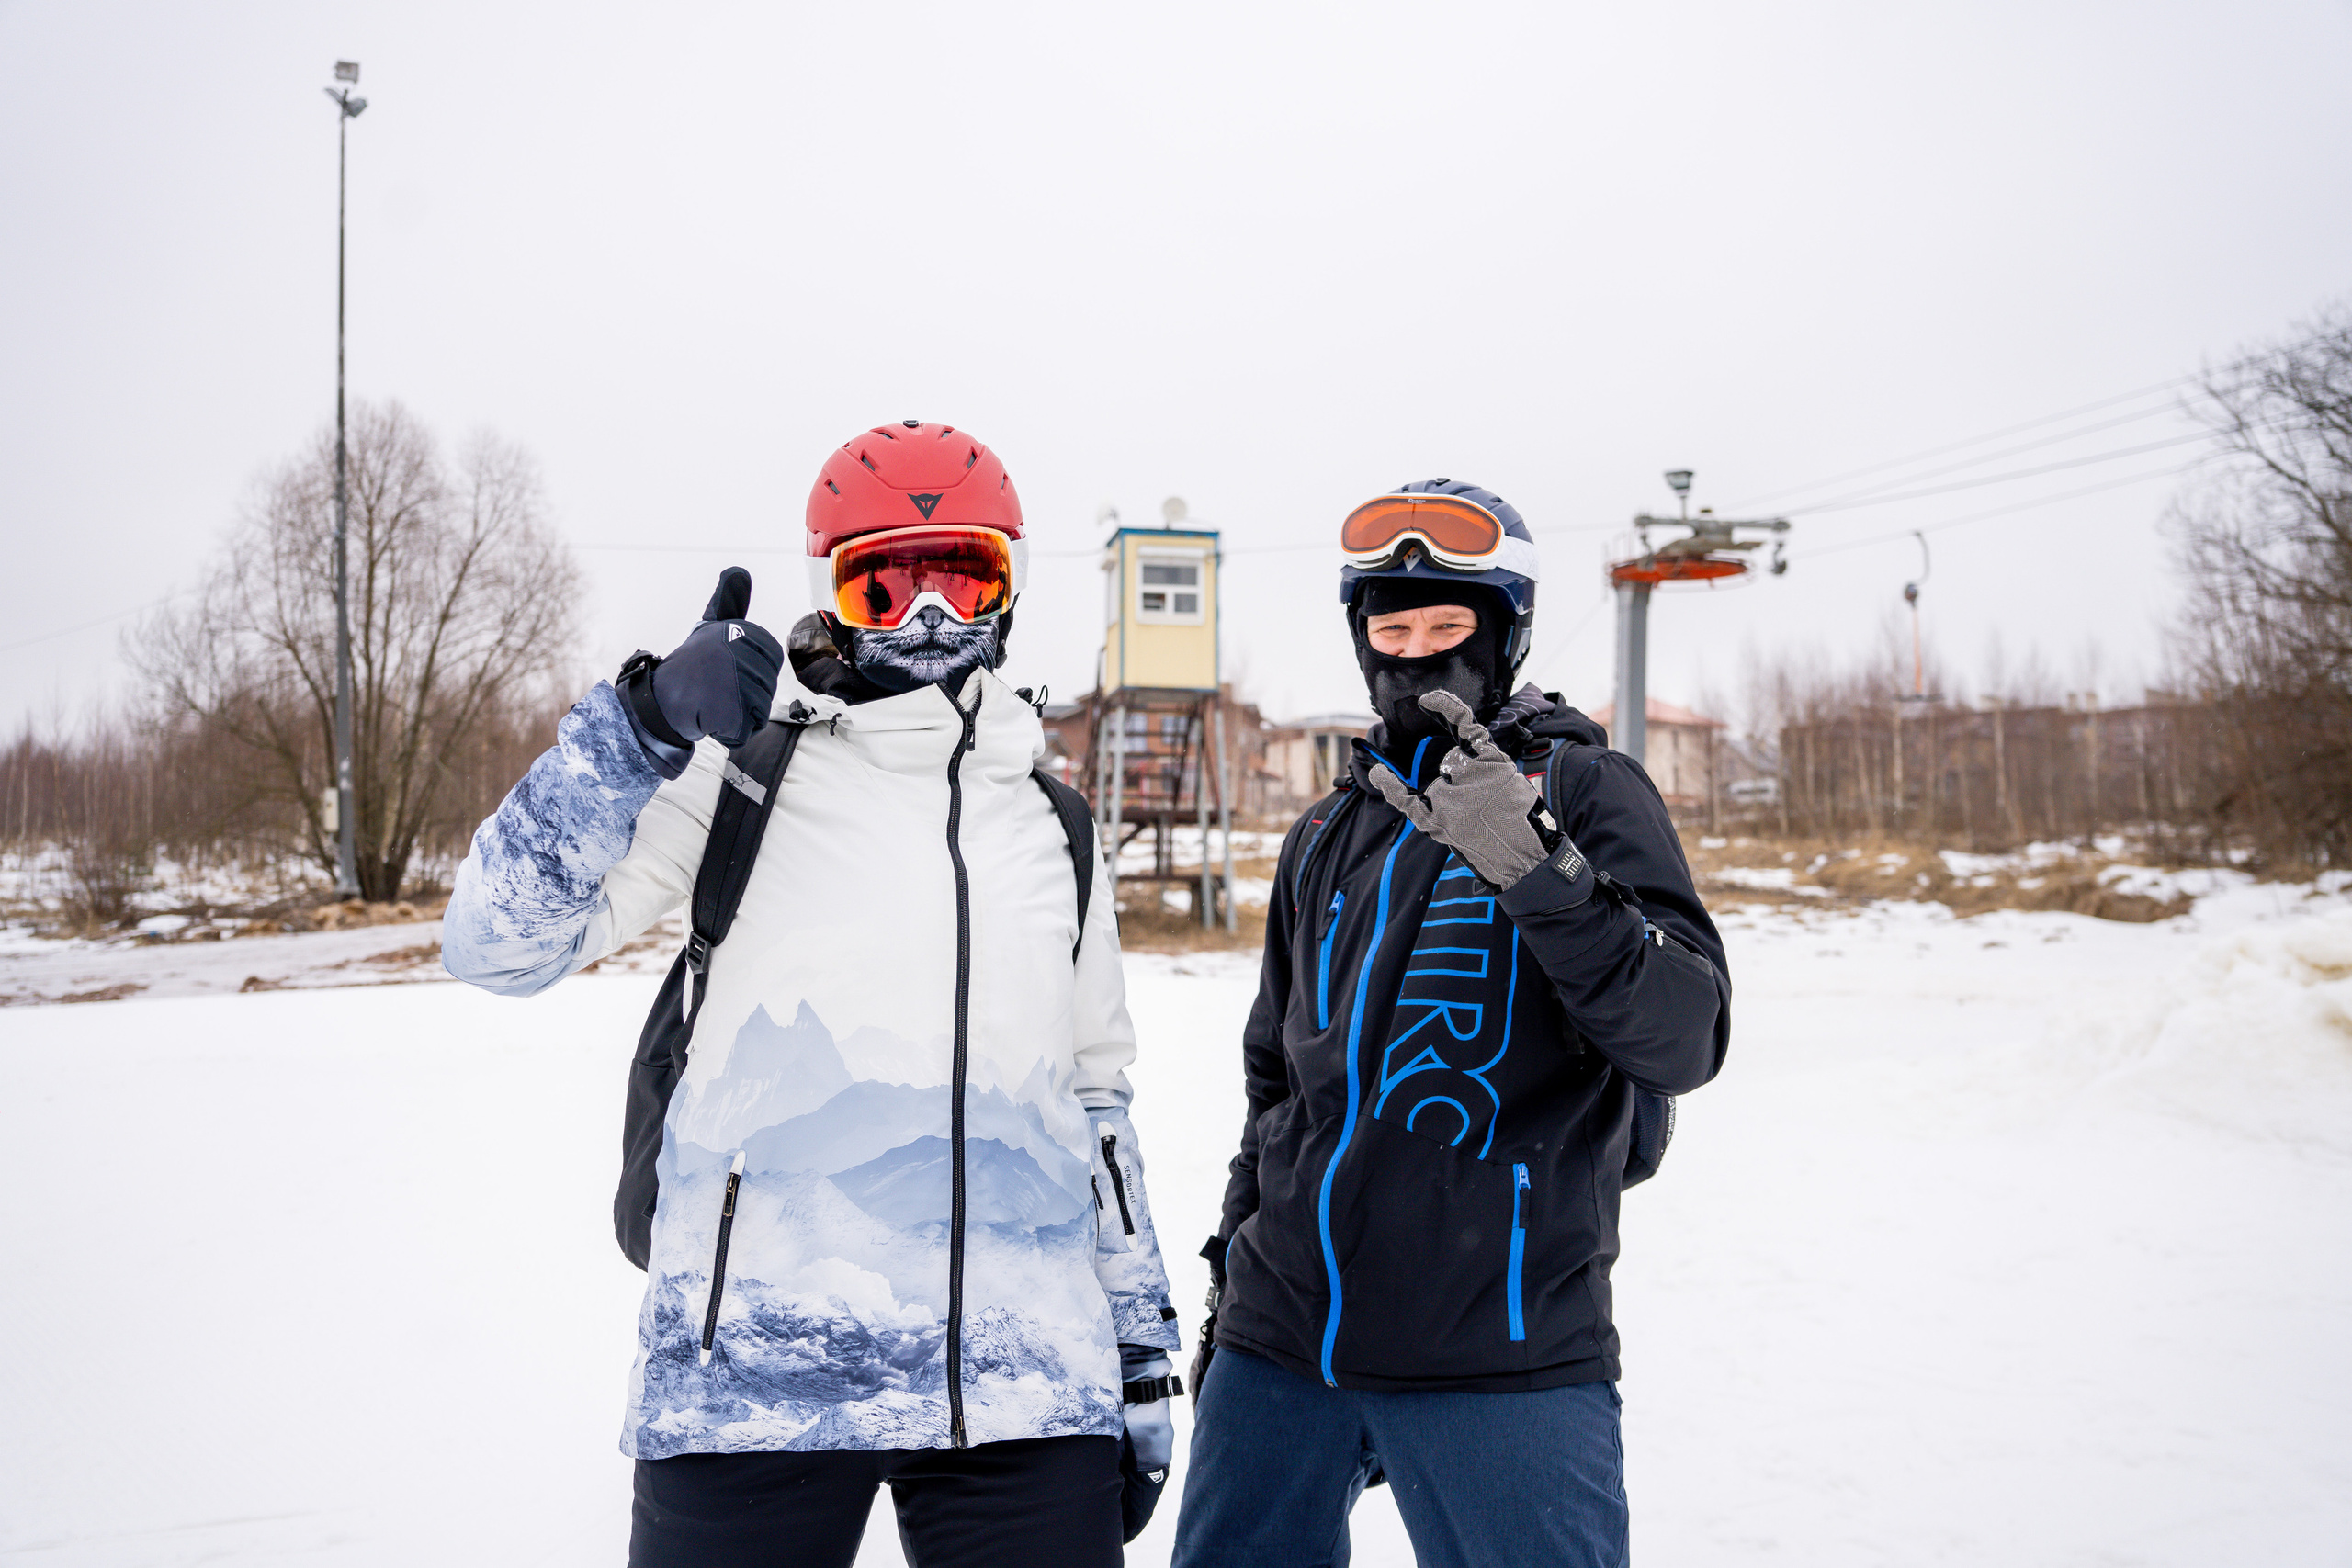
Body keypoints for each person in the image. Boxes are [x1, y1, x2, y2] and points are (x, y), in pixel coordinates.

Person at [442, 421, 1183, 1568]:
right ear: (832, 596)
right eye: (885, 585)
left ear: (1011, 584)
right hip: (755, 1385)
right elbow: (494, 943)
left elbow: (1095, 1103)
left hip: (1025, 1389)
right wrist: (635, 730)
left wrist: (1136, 1354)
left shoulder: (1054, 827)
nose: (929, 619)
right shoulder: (736, 778)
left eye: (963, 577)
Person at [1169, 480, 1732, 1568]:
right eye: (1392, 629)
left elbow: (1682, 1034)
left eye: (1447, 629)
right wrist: (1233, 1285)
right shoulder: (1329, 827)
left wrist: (1536, 867)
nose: (1416, 656)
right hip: (1283, 1344)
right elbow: (1275, 1081)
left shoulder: (1586, 790)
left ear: (1504, 634)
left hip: (1501, 1349)